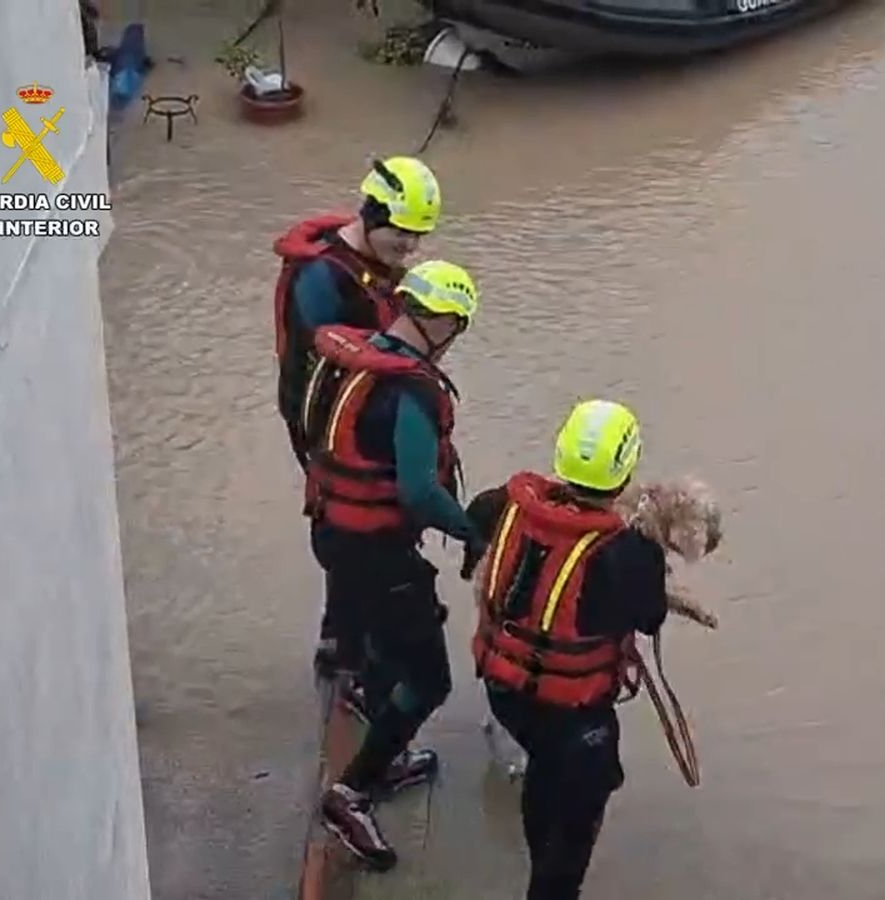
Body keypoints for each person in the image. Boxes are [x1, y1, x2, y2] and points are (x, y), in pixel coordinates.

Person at [301, 260, 484, 871]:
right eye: (455, 326)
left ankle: (390, 752)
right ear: (436, 320)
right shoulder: (409, 391)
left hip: (332, 532)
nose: (455, 338)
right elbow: (418, 492)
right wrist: (472, 530)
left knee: (383, 648)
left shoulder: (351, 360)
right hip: (376, 551)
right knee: (431, 680)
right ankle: (351, 792)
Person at [465, 400, 670, 900]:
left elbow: (473, 533)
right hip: (573, 715)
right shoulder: (628, 551)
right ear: (626, 472)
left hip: (505, 690)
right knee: (576, 823)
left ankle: (542, 868)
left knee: (544, 773)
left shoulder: (504, 505)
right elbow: (650, 617)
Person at [272, 156, 442, 678]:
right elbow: (328, 366)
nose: (410, 249)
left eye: (418, 238)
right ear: (371, 214)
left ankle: (340, 634)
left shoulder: (367, 268)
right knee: (357, 523)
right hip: (330, 425)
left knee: (352, 531)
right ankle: (355, 654)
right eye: (402, 234)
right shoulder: (322, 280)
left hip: (357, 417)